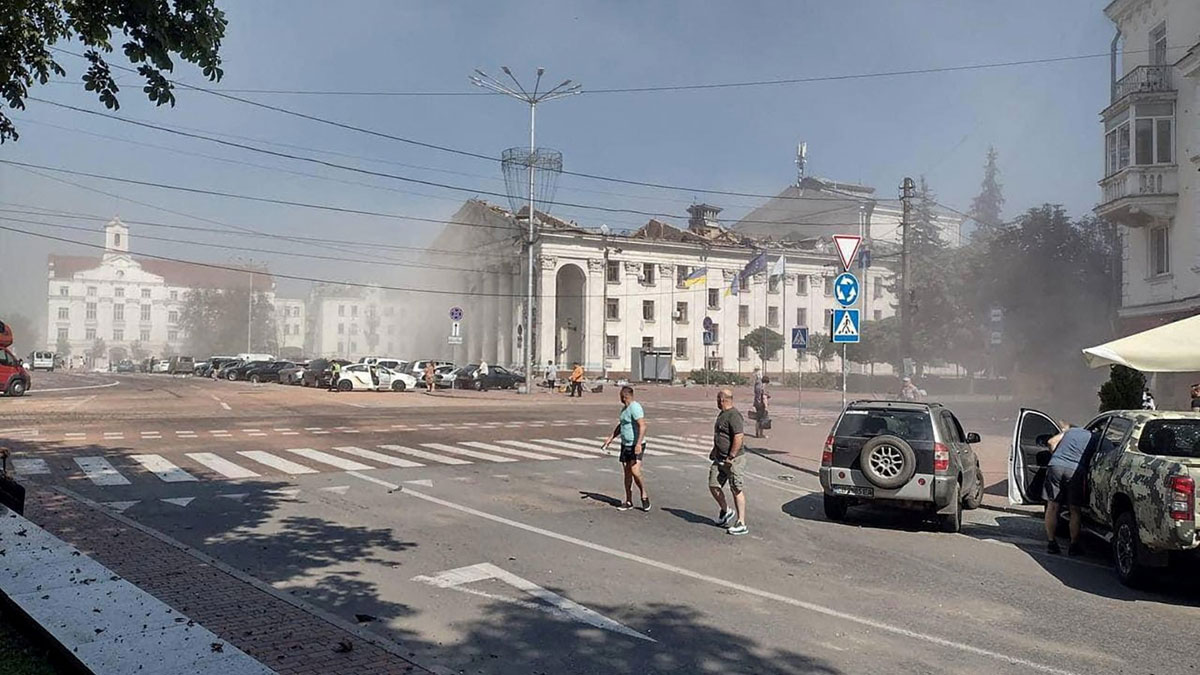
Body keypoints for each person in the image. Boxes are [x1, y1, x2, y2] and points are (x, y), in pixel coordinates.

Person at [1043, 422, 1091, 555]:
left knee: (1052, 506)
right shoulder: (1093, 436)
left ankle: (1051, 543)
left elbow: (1051, 442)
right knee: (1074, 509)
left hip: (1055, 466)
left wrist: (1056, 456)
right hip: (1075, 470)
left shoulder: (1069, 432)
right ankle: (1074, 545)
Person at [602, 385, 650, 511]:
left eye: (620, 396)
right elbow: (622, 425)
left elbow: (643, 426)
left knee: (635, 471)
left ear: (624, 397)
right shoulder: (624, 409)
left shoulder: (635, 408)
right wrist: (611, 438)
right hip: (625, 444)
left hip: (636, 444)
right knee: (627, 472)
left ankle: (644, 494)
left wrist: (638, 444)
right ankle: (628, 501)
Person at [709, 388, 749, 536]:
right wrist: (714, 450)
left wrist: (731, 456)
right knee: (713, 485)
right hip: (720, 458)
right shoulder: (722, 414)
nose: (716, 402)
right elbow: (720, 435)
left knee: (736, 488)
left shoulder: (734, 415)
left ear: (722, 400)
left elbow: (738, 437)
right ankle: (726, 511)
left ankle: (741, 523)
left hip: (733, 460)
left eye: (717, 399)